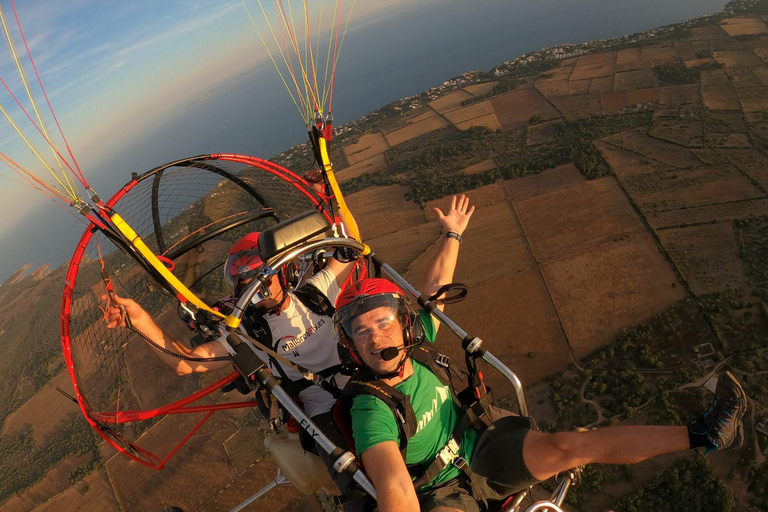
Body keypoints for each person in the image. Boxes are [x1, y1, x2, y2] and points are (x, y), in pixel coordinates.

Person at [332, 277, 748, 512]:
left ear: (407, 326)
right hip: (440, 492)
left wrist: (452, 234)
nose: (375, 337)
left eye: (383, 322)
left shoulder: (417, 341)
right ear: (351, 345)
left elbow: (436, 285)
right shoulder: (371, 408)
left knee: (571, 446)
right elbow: (396, 489)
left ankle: (706, 433)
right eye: (361, 331)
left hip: (483, 444)